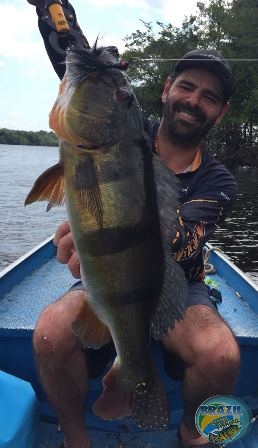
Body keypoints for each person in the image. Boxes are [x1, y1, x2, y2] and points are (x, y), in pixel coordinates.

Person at [27, 2, 240, 447]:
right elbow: (80, 66)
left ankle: (188, 432)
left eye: (209, 96)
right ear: (166, 89)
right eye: (186, 86)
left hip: (180, 286)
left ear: (220, 112)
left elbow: (182, 246)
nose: (193, 100)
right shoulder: (127, 129)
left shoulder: (218, 179)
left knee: (221, 355)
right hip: (105, 279)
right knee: (49, 331)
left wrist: (98, 232)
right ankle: (77, 438)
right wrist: (54, 11)